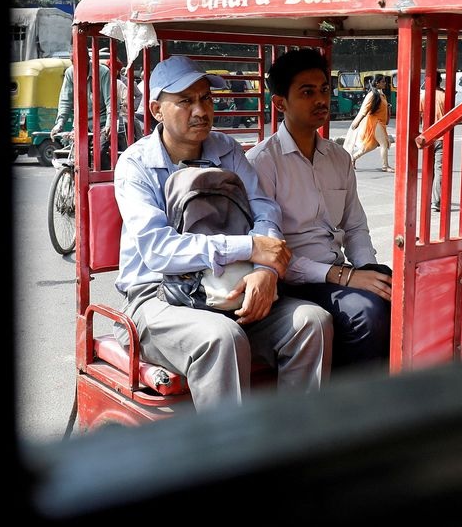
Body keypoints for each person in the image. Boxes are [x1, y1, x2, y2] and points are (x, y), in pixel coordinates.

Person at [113, 55, 332, 411]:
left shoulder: (225, 149)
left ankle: (296, 444)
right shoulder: (136, 164)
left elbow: (265, 209)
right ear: (156, 110)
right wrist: (249, 247)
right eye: (185, 101)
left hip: (231, 286)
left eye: (206, 98)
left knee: (313, 321)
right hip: (159, 297)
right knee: (222, 337)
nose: (200, 110)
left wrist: (266, 271)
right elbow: (158, 251)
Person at [247, 49, 392, 371]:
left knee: (404, 294)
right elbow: (271, 251)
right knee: (367, 312)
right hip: (291, 282)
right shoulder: (262, 163)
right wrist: (346, 276)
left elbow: (355, 226)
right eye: (307, 92)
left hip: (336, 273)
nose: (320, 100)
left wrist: (369, 269)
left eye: (324, 90)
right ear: (280, 103)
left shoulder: (338, 157)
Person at [350, 73, 394, 172]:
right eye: (383, 81)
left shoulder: (381, 95)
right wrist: (356, 122)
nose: (385, 83)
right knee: (384, 144)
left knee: (371, 145)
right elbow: (364, 110)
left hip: (380, 123)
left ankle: (353, 158)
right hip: (375, 122)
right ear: (377, 83)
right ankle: (385, 166)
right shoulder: (372, 95)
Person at [419, 72, 447, 211]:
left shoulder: (424, 97)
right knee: (439, 170)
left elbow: (418, 117)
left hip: (427, 139)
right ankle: (436, 201)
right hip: (442, 138)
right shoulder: (445, 96)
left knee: (427, 170)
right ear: (440, 81)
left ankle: (426, 200)